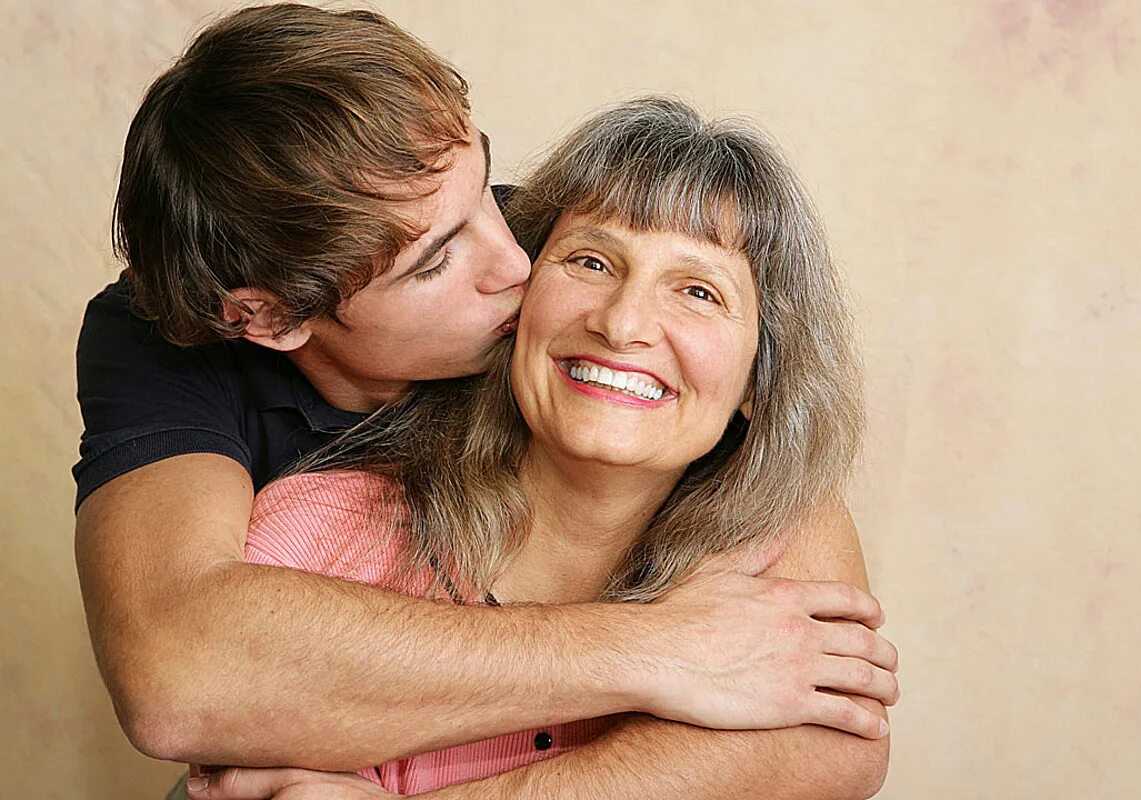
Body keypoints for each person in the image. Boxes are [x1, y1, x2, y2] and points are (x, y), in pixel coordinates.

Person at [71, 5, 894, 797]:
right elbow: (180, 674)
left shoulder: (563, 248)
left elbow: (827, 727)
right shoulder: (167, 348)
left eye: (485, 191)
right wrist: (666, 648)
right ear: (269, 317)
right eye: (436, 261)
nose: (517, 261)